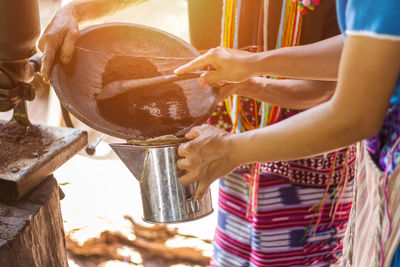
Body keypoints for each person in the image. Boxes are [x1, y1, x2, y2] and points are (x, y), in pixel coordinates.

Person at [40, 0, 356, 266]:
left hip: (307, 150)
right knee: (234, 254)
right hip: (228, 136)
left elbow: (335, 85)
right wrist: (76, 10)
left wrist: (253, 70)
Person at [175, 0, 400, 266]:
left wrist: (230, 150)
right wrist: (252, 67)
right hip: (375, 168)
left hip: (329, 162)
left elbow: (355, 115)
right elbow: (359, 48)